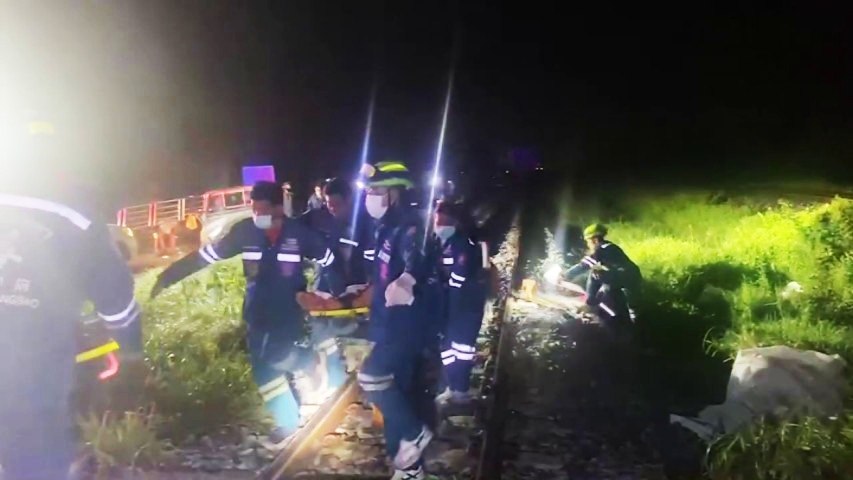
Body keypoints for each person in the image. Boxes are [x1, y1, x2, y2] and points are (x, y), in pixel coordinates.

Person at [0, 113, 143, 479]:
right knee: (36, 455)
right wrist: (130, 352)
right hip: (35, 370)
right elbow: (117, 299)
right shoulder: (75, 214)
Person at [150, 181, 344, 448]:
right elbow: (205, 256)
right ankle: (287, 421)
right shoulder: (244, 232)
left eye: (263, 210)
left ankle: (309, 362)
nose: (258, 216)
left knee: (277, 354)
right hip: (256, 309)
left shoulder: (300, 234)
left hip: (289, 308)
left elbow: (331, 263)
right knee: (262, 371)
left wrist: (326, 296)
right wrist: (168, 276)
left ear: (279, 207)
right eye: (254, 210)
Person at [356, 161, 433, 480]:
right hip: (388, 321)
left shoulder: (410, 226)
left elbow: (419, 259)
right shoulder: (385, 227)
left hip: (406, 325)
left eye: (376, 190)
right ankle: (407, 469)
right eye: (369, 191)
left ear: (395, 193)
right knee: (394, 392)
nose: (370, 196)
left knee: (371, 377)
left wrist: (408, 279)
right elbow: (381, 273)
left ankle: (416, 433)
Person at [297, 177, 375, 390]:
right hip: (328, 285)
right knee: (320, 327)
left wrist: (354, 296)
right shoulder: (321, 218)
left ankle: (357, 377)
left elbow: (371, 269)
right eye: (328, 204)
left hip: (355, 290)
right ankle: (334, 376)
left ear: (350, 200)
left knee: (348, 330)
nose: (332, 209)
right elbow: (296, 228)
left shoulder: (366, 225)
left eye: (336, 204)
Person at [431, 201, 488, 406]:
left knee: (462, 348)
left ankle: (460, 390)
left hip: (465, 306)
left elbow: (459, 277)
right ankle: (452, 385)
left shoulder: (463, 243)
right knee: (447, 345)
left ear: (455, 221)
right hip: (452, 304)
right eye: (436, 219)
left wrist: (444, 291)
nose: (438, 224)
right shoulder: (445, 243)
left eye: (442, 220)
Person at [565, 223, 641, 324]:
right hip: (633, 277)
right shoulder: (611, 247)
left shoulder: (602, 249)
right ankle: (633, 318)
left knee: (595, 272)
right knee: (629, 304)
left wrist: (566, 275)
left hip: (623, 277)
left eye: (588, 241)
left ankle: (590, 305)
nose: (588, 245)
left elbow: (584, 265)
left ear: (595, 240)